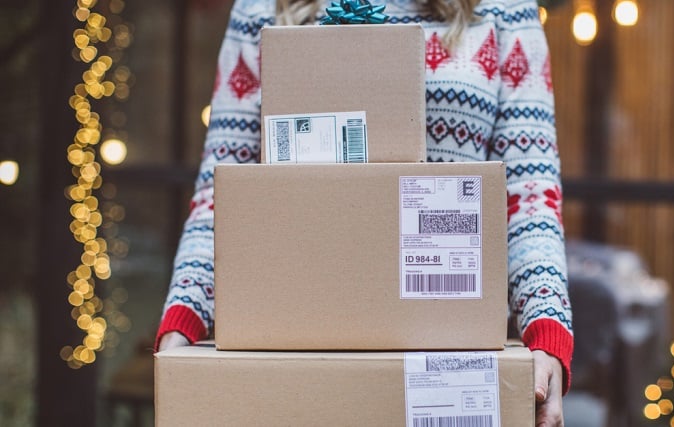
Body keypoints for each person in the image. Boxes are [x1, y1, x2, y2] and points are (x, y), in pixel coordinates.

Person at [155, 0, 574, 424]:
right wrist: (182, 320)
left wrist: (547, 329)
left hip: (448, 350)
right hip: (299, 339)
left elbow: (529, 191)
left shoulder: (505, 9)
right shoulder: (263, 7)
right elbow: (221, 193)